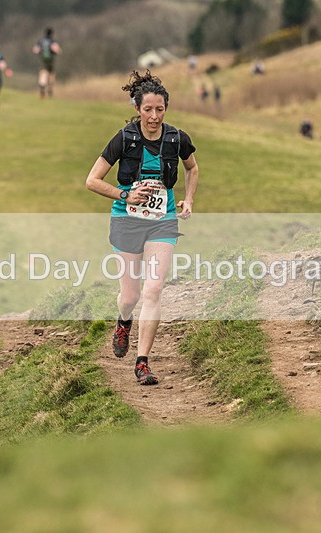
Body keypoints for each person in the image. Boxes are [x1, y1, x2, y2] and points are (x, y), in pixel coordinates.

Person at [85, 70, 199, 386]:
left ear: (166, 109)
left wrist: (188, 199)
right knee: (130, 295)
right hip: (127, 221)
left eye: (159, 110)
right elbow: (92, 180)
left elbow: (192, 168)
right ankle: (124, 321)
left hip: (162, 221)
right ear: (138, 109)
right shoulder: (124, 138)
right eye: (147, 109)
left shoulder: (177, 138)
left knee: (153, 289)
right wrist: (126, 193)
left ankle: (142, 362)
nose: (153, 116)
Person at [31, 28, 61, 98]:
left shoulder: (40, 42)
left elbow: (35, 50)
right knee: (51, 76)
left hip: (42, 61)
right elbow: (57, 50)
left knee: (43, 74)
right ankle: (50, 91)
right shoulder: (53, 41)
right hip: (50, 61)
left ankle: (42, 91)